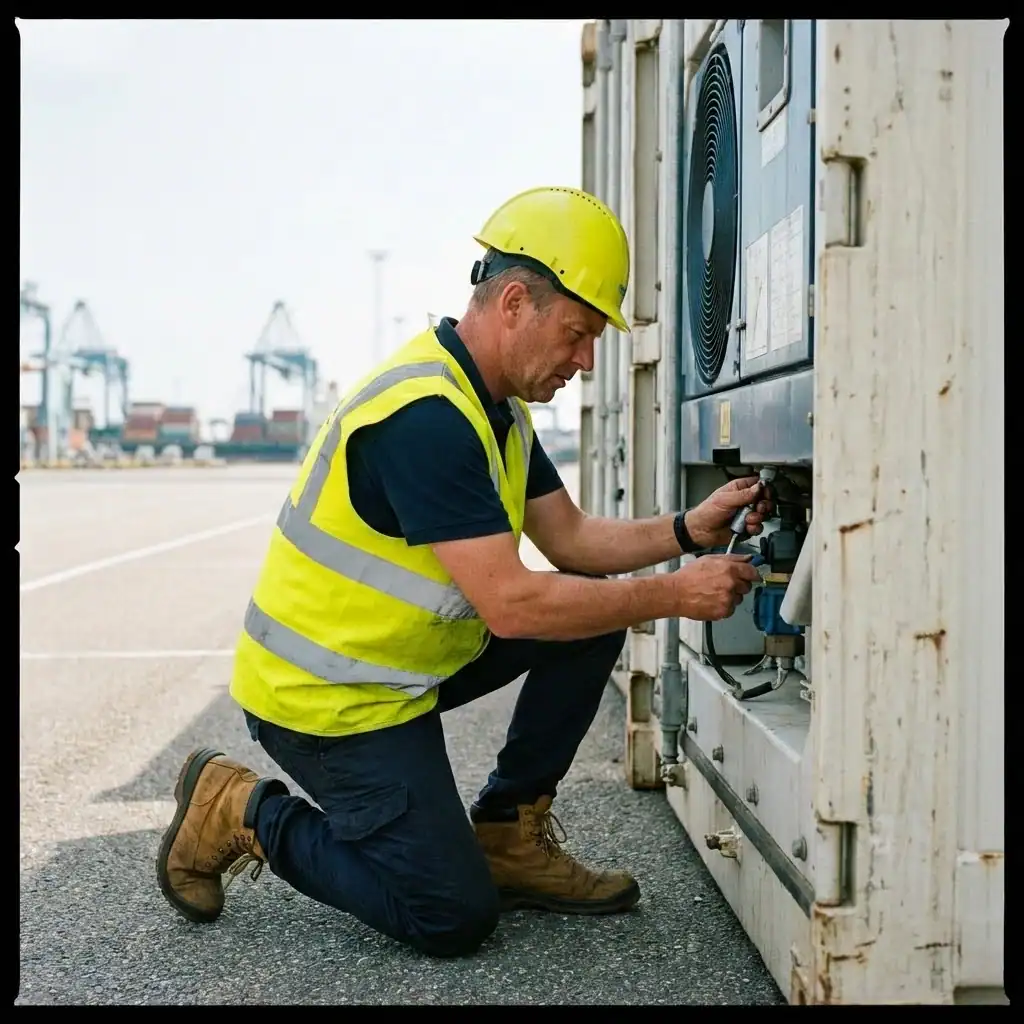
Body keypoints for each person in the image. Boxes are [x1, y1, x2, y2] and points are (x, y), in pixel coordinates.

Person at [155, 185, 769, 958]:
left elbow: (572, 540)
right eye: (578, 335)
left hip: (400, 669)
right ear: (515, 301)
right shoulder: (426, 418)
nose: (585, 362)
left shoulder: (497, 407)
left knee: (593, 618)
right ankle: (239, 809)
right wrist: (676, 593)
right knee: (448, 916)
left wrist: (687, 529)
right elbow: (512, 607)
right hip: (327, 699)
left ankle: (509, 839)